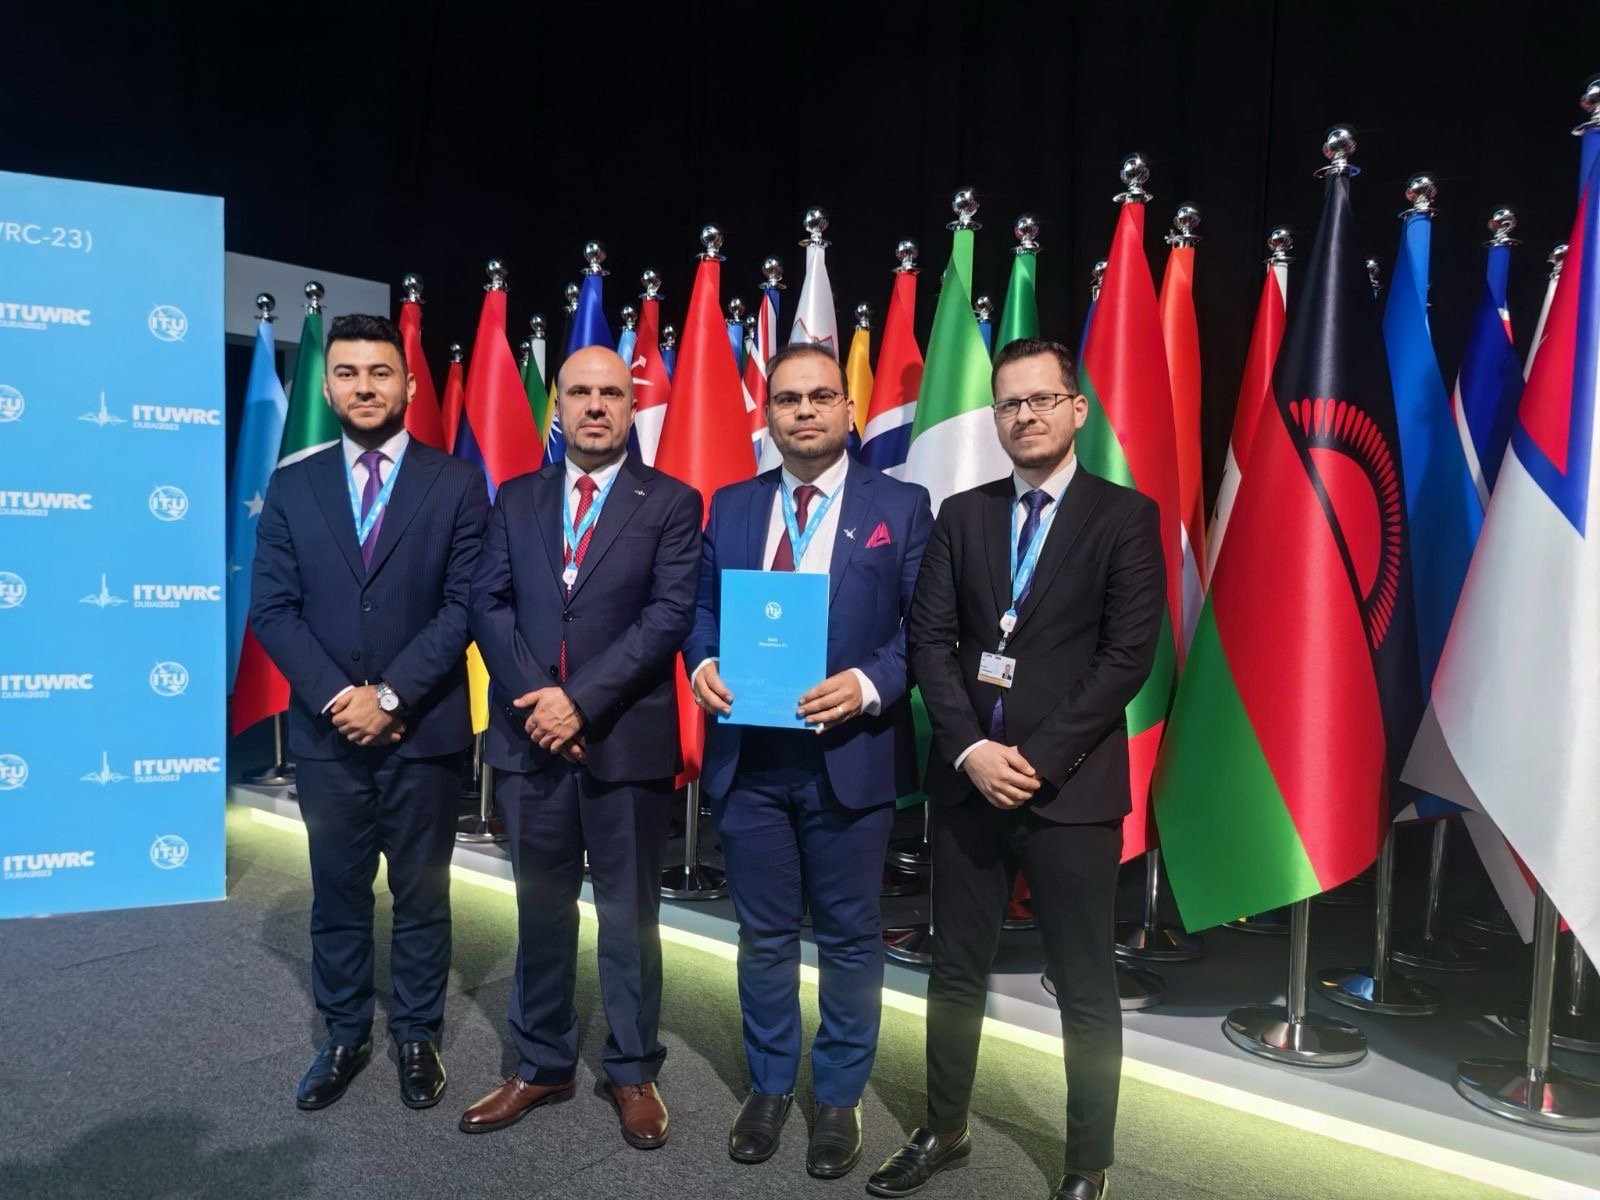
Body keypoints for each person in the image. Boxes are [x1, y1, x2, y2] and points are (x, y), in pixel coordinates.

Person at [869, 337, 1165, 1200]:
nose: (1025, 415)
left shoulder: (1125, 516)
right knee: (956, 967)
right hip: (969, 783)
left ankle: (1086, 1164)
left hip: (1068, 787)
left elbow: (1126, 659)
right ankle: (943, 1128)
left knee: (1084, 983)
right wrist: (971, 750)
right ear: (995, 417)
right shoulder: (962, 514)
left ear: (1077, 410)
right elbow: (930, 642)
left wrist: (1032, 759)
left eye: (1041, 399)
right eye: (1009, 403)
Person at [686, 342, 933, 1180]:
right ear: (768, 415)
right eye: (788, 399)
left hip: (848, 757)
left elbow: (925, 630)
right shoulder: (731, 505)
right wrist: (702, 662)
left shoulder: (901, 505)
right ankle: (768, 1087)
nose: (804, 411)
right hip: (750, 759)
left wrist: (865, 685)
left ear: (849, 409)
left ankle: (837, 1097)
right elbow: (700, 610)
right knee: (762, 937)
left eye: (821, 396)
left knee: (850, 938)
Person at [459, 345, 701, 1151]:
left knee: (629, 917)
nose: (595, 406)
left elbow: (667, 617)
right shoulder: (515, 496)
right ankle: (542, 1062)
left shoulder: (672, 501)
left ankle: (632, 1069)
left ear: (630, 406)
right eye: (579, 393)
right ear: (556, 406)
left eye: (611, 393)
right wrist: (540, 699)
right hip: (529, 739)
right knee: (539, 909)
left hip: (624, 741)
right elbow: (487, 602)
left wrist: (580, 702)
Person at [251, 313, 488, 1112]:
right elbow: (273, 610)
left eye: (380, 372)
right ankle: (345, 1033)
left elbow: (464, 607)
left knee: (423, 896)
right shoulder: (293, 485)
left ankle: (417, 1034)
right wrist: (339, 699)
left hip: (424, 731)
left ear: (409, 385)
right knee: (338, 895)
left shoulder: (456, 483)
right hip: (329, 737)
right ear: (327, 387)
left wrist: (388, 697)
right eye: (348, 373)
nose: (364, 386)